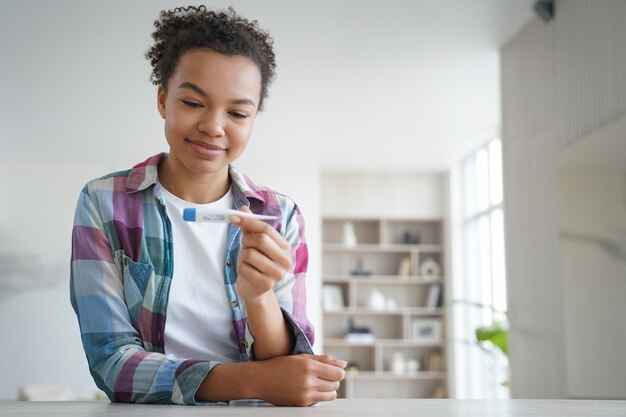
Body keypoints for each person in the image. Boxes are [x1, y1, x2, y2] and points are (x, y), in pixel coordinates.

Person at [70, 5, 346, 406]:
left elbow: (285, 366)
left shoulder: (279, 215)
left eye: (237, 112)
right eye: (194, 103)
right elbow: (112, 364)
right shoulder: (103, 202)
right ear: (163, 100)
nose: (214, 126)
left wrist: (258, 297)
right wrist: (252, 381)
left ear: (252, 120)